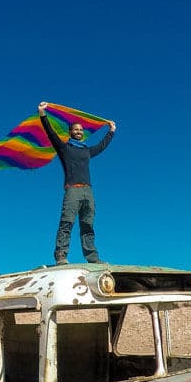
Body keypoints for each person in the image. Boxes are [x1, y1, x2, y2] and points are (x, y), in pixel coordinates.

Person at [38, 101, 116, 265]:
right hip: (72, 190)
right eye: (76, 130)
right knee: (67, 223)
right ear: (71, 132)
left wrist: (111, 132)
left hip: (88, 191)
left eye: (81, 130)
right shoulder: (65, 149)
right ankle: (61, 255)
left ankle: (93, 258)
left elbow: (101, 146)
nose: (79, 132)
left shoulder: (86, 150)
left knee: (87, 225)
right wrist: (43, 114)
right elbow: (51, 133)